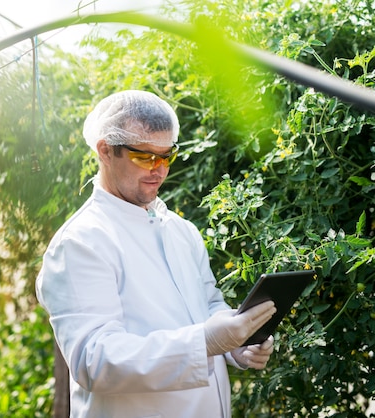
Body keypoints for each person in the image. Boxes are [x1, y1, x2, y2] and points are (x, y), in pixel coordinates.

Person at [36, 90, 277, 418]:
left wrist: (238, 344)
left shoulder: (182, 231)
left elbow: (208, 304)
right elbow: (93, 360)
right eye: (145, 157)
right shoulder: (81, 242)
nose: (159, 170)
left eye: (167, 156)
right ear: (106, 150)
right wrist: (204, 343)